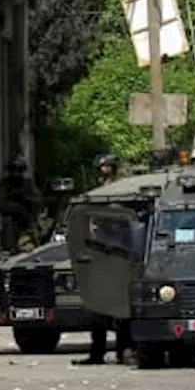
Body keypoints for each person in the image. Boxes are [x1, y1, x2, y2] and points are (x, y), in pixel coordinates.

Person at [75, 154, 134, 365]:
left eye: (105, 167)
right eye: (100, 167)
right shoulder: (101, 189)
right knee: (97, 311)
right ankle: (97, 352)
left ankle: (124, 350)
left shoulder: (122, 188)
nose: (102, 170)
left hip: (120, 252)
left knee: (121, 311)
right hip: (99, 253)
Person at [0, 153, 40, 255]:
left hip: (26, 224)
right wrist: (19, 207)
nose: (17, 173)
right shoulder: (4, 186)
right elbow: (3, 204)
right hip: (11, 224)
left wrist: (28, 202)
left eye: (19, 170)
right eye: (14, 170)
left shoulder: (28, 185)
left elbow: (37, 201)